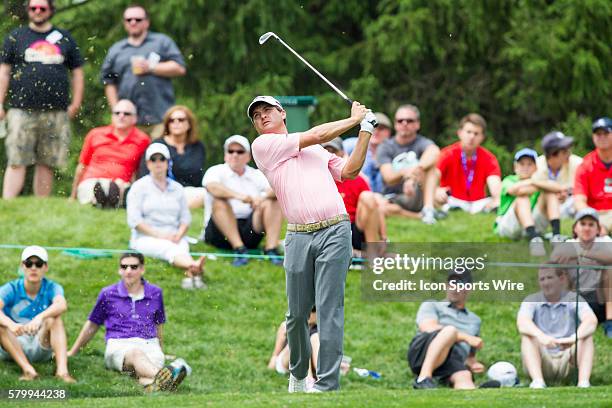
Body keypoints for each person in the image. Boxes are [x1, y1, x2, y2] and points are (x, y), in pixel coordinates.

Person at [249, 95, 375, 392]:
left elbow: (348, 172)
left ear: (282, 113)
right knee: (296, 314)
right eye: (256, 116)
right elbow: (318, 133)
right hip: (297, 235)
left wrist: (365, 132)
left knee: (330, 310)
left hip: (336, 230)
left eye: (268, 110)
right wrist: (355, 119)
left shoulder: (315, 150)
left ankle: (327, 384)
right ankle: (298, 375)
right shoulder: (263, 147)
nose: (262, 117)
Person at [68, 252, 190, 392]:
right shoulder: (108, 293)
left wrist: (161, 351)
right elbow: (92, 324)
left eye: (133, 267)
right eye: (124, 267)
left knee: (145, 375)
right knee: (137, 354)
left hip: (150, 343)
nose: (128, 271)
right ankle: (165, 377)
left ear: (142, 269)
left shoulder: (156, 293)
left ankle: (154, 387)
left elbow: (158, 324)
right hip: (119, 344)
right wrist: (73, 351)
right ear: (119, 269)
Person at [1, 0, 84, 198]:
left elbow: (78, 73)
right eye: (33, 8)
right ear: (28, 10)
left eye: (42, 8)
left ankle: (41, 206)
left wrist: (76, 103)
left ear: (51, 10)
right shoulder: (16, 36)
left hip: (56, 110)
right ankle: (8, 205)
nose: (38, 11)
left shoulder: (65, 38)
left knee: (48, 162)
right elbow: (4, 72)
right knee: (16, 159)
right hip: (21, 109)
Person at [127, 143, 205, 290]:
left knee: (177, 247)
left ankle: (192, 273)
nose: (158, 163)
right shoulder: (138, 187)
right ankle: (193, 267)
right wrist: (161, 235)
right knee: (169, 248)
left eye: (162, 159)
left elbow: (185, 218)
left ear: (168, 162)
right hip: (145, 237)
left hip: (175, 236)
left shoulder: (177, 189)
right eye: (153, 159)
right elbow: (135, 221)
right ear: (148, 163)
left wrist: (179, 234)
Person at [101, 4, 186, 139]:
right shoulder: (116, 49)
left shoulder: (162, 42)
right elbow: (108, 81)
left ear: (146, 22)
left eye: (138, 19)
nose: (133, 22)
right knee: (132, 159)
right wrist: (117, 110)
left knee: (159, 158)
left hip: (161, 117)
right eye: (129, 20)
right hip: (129, 121)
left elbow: (179, 68)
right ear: (125, 23)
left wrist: (151, 67)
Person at [203, 134, 283, 267]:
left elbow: (277, 189)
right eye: (231, 151)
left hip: (250, 229)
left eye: (240, 152)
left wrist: (262, 197)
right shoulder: (215, 170)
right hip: (219, 233)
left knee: (272, 201)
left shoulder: (256, 174)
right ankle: (239, 249)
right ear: (225, 155)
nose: (235, 155)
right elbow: (212, 187)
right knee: (219, 201)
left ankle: (271, 249)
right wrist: (239, 196)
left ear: (248, 156)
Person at [0, 246, 75, 382]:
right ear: (23, 266)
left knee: (55, 319)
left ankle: (62, 372)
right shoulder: (11, 288)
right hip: (14, 343)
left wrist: (39, 318)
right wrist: (11, 324)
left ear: (45, 267)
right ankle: (28, 370)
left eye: (38, 264)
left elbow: (61, 305)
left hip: (40, 343)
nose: (33, 268)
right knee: (1, 325)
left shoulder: (52, 287)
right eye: (29, 264)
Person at [517, 265, 598, 388]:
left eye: (550, 277)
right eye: (542, 279)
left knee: (586, 337)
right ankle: (538, 382)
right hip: (543, 358)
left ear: (561, 279)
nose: (546, 283)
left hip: (568, 357)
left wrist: (572, 339)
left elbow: (591, 321)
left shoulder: (574, 298)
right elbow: (522, 323)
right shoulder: (532, 299)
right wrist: (542, 337)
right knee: (528, 337)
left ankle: (583, 383)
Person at [408, 270, 490, 390]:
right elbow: (428, 328)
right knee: (450, 331)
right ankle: (423, 378)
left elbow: (470, 357)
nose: (454, 288)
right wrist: (466, 337)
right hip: (422, 352)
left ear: (468, 288)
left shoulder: (475, 320)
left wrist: (474, 364)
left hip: (452, 358)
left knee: (464, 375)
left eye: (459, 283)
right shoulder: (432, 305)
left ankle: (474, 393)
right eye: (451, 283)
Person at [70, 99, 150, 208]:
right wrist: (73, 195)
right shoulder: (95, 134)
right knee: (96, 188)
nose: (121, 116)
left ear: (134, 118)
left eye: (126, 114)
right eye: (117, 113)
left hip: (121, 183)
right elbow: (82, 166)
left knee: (120, 188)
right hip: (92, 180)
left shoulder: (142, 140)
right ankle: (103, 197)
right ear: (112, 116)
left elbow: (140, 171)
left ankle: (107, 198)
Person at [551, 208, 612, 338]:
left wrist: (583, 253)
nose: (587, 228)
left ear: (598, 229)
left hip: (600, 299)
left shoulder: (605, 241)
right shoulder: (568, 244)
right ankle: (566, 316)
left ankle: (610, 321)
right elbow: (552, 263)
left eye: (591, 225)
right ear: (575, 228)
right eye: (583, 224)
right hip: (577, 300)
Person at [322, 137, 388, 254]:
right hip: (330, 230)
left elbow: (375, 208)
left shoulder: (357, 179)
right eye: (326, 151)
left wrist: (383, 239)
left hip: (355, 227)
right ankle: (361, 254)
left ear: (342, 153)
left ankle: (372, 252)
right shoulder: (316, 179)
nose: (330, 155)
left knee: (369, 197)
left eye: (334, 151)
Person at [377, 104, 441, 224]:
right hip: (394, 197)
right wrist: (406, 173)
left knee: (433, 170)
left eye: (409, 120)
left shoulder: (422, 142)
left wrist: (412, 176)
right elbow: (389, 178)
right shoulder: (385, 146)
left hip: (417, 192)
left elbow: (434, 151)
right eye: (400, 120)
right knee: (382, 208)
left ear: (417, 124)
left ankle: (428, 209)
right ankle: (420, 216)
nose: (404, 123)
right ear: (395, 124)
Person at [138, 105, 206, 208]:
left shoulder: (198, 147)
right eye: (172, 120)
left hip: (191, 192)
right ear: (167, 124)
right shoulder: (158, 146)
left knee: (206, 194)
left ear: (189, 124)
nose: (176, 123)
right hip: (162, 191)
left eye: (181, 119)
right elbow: (145, 172)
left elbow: (198, 174)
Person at [495, 148, 564, 248]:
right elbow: (518, 191)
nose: (525, 167)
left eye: (529, 164)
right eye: (522, 164)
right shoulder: (509, 180)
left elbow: (559, 188)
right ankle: (534, 239)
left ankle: (556, 235)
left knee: (550, 194)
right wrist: (535, 183)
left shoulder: (539, 181)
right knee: (522, 199)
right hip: (509, 227)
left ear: (536, 167)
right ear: (515, 167)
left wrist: (533, 182)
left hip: (531, 224)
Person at [435, 113, 501, 214]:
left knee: (495, 202)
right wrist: (436, 190)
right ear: (460, 133)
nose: (471, 137)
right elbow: (433, 176)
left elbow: (494, 183)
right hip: (451, 199)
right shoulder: (447, 154)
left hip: (478, 203)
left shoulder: (488, 158)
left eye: (476, 133)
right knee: (436, 196)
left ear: (482, 137)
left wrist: (497, 199)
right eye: (468, 132)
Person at [574, 117, 612, 234]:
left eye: (606, 133)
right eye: (598, 134)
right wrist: (591, 218)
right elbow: (579, 201)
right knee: (591, 231)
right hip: (595, 214)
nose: (602, 137)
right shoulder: (585, 165)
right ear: (593, 137)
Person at [532, 131, 582, 220]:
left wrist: (566, 193)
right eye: (564, 151)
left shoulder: (577, 162)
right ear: (552, 154)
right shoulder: (536, 165)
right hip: (541, 210)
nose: (569, 153)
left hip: (569, 205)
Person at [342, 112, 393, 193]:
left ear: (389, 132)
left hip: (385, 198)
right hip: (356, 194)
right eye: (373, 127)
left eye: (381, 128)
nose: (376, 131)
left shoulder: (393, 149)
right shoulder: (353, 144)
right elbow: (337, 153)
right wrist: (360, 176)